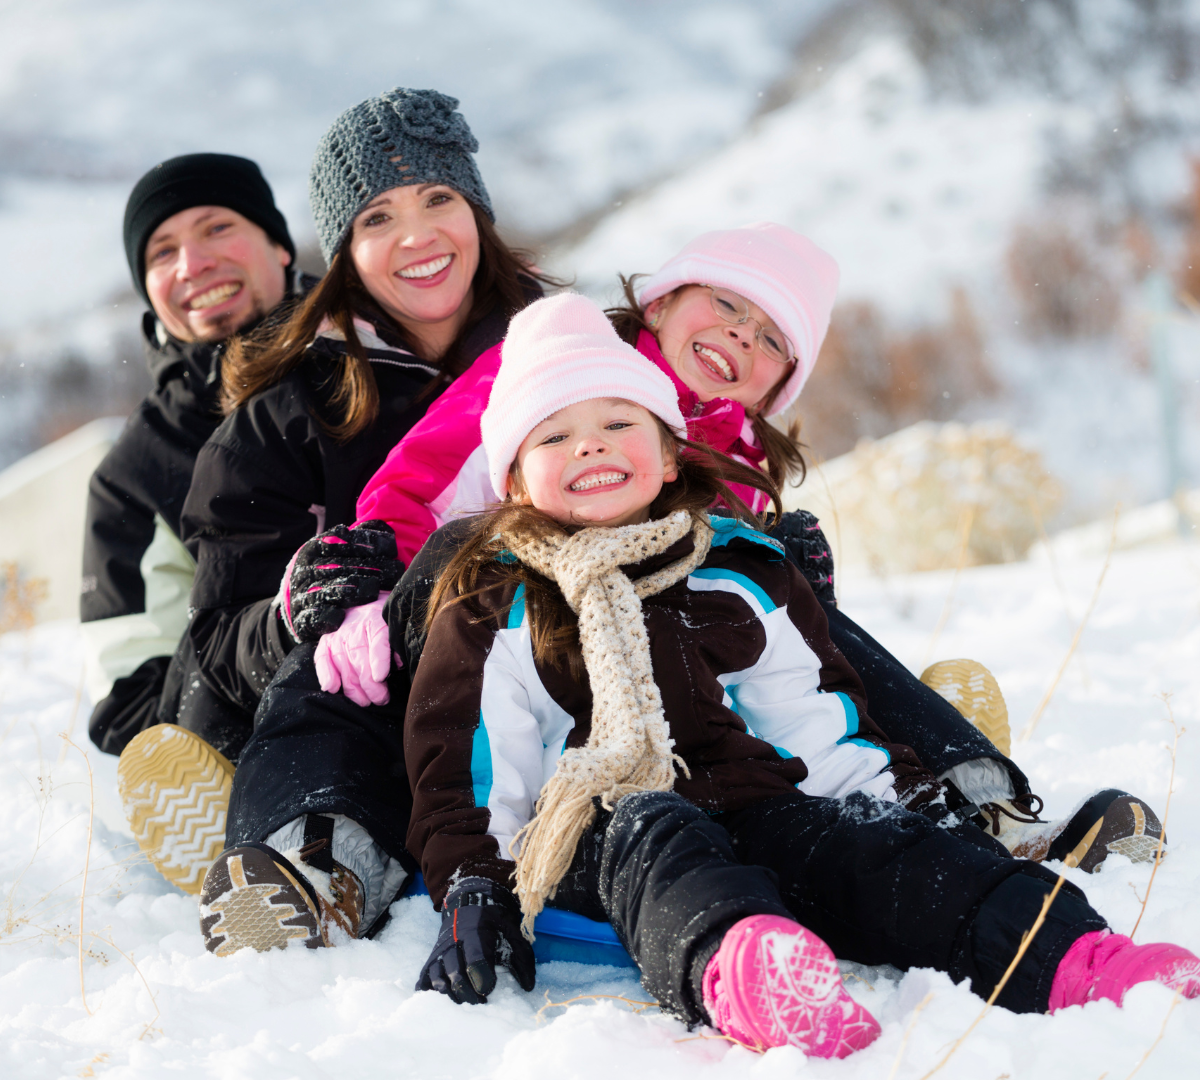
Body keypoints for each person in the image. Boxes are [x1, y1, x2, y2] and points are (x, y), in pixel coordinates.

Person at [397, 294, 1198, 1055]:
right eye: (553, 436)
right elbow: (467, 768)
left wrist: (890, 814)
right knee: (656, 827)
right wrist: (476, 888)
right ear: (512, 482)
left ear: (671, 454)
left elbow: (812, 712)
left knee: (868, 847)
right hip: (595, 844)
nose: (591, 445)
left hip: (754, 809)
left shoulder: (736, 568)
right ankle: (747, 969)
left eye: (617, 422)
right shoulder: (494, 600)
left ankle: (1074, 959)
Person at [318, 223, 1164, 873]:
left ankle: (975, 803)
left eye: (769, 341)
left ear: (775, 386)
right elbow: (412, 488)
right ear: (660, 301)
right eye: (726, 305)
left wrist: (792, 583)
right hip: (514, 645)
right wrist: (376, 593)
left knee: (800, 616)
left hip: (662, 686)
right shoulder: (553, 367)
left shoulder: (740, 471)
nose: (740, 338)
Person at [122, 87, 546, 900]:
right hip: (350, 692)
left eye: (438, 198)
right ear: (343, 249)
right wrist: (295, 610)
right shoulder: (286, 412)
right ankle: (307, 855)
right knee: (347, 671)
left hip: (521, 671)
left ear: (476, 213)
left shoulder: (559, 362)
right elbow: (218, 630)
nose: (417, 235)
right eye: (377, 218)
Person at [82, 153, 301, 760]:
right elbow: (130, 699)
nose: (193, 264)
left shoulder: (376, 354)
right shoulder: (137, 469)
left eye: (216, 228)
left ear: (279, 244)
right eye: (161, 252)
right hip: (264, 717)